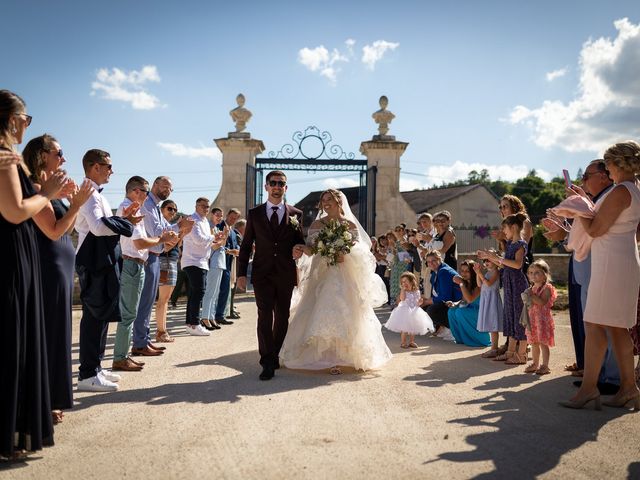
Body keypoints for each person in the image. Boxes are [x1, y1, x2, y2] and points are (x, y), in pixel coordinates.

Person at [0, 89, 67, 461]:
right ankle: (9, 436)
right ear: (11, 120)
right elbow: (14, 211)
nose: (26, 125)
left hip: (16, 253)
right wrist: (49, 194)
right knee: (14, 343)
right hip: (11, 255)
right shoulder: (5, 157)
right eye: (25, 120)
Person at [561, 141, 640, 411]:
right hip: (620, 259)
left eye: (608, 165)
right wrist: (583, 200)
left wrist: (577, 208)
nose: (608, 169)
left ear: (617, 164)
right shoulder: (632, 189)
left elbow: (595, 229)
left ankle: (589, 389)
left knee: (594, 324)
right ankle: (628, 388)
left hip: (612, 264)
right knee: (617, 327)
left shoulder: (621, 190)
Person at [279, 189, 392, 374]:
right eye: (323, 200)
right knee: (321, 308)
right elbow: (313, 250)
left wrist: (343, 254)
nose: (326, 203)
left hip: (344, 273)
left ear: (339, 201)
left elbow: (361, 252)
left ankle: (345, 356)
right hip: (323, 273)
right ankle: (326, 357)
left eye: (330, 199)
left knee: (347, 310)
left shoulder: (349, 224)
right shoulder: (317, 224)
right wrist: (301, 248)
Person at [22, 134, 93, 424]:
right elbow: (52, 231)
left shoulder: (50, 191)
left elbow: (69, 228)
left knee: (60, 332)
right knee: (49, 333)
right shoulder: (36, 189)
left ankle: (52, 397)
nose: (64, 159)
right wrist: (76, 204)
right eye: (59, 153)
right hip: (48, 266)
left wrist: (73, 202)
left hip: (62, 265)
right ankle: (45, 400)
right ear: (42, 156)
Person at [544, 159, 619, 393]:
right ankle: (598, 374)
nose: (583, 181)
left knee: (605, 322)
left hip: (601, 262)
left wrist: (580, 202)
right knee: (592, 322)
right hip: (585, 263)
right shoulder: (595, 199)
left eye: (587, 176)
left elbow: (598, 229)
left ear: (605, 176)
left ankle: (612, 378)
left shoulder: (612, 196)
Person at [75, 149, 139, 392]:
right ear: (94, 167)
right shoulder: (89, 193)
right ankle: (87, 374)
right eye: (108, 166)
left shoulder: (98, 195)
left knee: (101, 315)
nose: (112, 170)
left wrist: (123, 221)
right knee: (94, 315)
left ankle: (96, 369)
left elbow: (106, 224)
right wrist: (124, 225)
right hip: (92, 261)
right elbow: (99, 228)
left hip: (101, 260)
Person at [237, 171, 305, 380]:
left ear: (286, 188)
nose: (277, 186)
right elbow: (247, 244)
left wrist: (298, 249)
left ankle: (275, 352)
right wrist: (240, 274)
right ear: (266, 187)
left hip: (285, 273)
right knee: (264, 315)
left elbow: (299, 241)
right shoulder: (255, 213)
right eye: (273, 183)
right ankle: (266, 360)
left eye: (281, 184)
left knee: (282, 317)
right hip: (262, 273)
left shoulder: (296, 214)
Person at [112, 177, 177, 371]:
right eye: (146, 191)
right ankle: (124, 354)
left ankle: (133, 348)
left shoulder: (137, 209)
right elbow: (140, 242)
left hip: (139, 261)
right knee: (130, 313)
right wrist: (162, 238)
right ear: (135, 191)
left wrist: (165, 237)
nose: (148, 196)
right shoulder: (127, 208)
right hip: (133, 262)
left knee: (138, 308)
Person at [133, 176, 192, 355]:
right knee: (145, 303)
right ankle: (140, 342)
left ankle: (143, 339)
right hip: (149, 256)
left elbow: (167, 230)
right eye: (165, 186)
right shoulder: (148, 206)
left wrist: (179, 228)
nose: (167, 190)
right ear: (155, 185)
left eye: (170, 188)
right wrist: (179, 226)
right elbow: (159, 232)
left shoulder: (156, 207)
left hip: (155, 256)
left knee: (149, 302)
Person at [478, 213, 529, 365]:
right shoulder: (510, 245)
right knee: (510, 318)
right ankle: (510, 352)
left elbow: (517, 265)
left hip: (517, 284)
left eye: (504, 228)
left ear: (513, 227)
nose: (503, 231)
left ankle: (521, 355)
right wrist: (491, 257)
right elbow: (505, 265)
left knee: (519, 319)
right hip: (508, 284)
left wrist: (497, 258)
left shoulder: (520, 244)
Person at [182, 197, 217, 336]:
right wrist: (213, 237)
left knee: (194, 293)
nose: (206, 209)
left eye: (208, 206)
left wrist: (215, 238)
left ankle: (190, 324)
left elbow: (206, 242)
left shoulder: (204, 222)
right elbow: (198, 240)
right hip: (193, 261)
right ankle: (195, 324)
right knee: (199, 291)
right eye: (203, 206)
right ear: (196, 206)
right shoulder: (193, 220)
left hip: (202, 261)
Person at [523, 260, 556, 376]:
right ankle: (535, 363)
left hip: (542, 320)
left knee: (543, 343)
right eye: (531, 272)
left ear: (545, 275)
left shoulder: (547, 288)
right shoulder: (531, 288)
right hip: (533, 319)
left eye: (537, 272)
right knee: (534, 343)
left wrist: (531, 296)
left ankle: (545, 365)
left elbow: (542, 302)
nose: (533, 275)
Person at [384, 272, 434, 348]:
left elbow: (417, 302)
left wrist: (420, 303)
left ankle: (412, 341)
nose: (404, 283)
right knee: (404, 328)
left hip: (414, 311)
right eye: (402, 282)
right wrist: (403, 290)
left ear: (411, 281)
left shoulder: (417, 292)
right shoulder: (404, 291)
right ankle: (403, 342)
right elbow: (402, 299)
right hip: (404, 311)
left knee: (413, 328)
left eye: (405, 281)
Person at [155, 200, 181, 342]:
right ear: (162, 209)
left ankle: (162, 331)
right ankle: (161, 331)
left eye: (175, 210)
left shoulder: (168, 226)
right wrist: (180, 234)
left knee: (165, 299)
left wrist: (181, 235)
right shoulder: (162, 226)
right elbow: (166, 247)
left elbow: (175, 245)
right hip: (165, 261)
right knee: (163, 299)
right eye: (170, 209)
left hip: (171, 261)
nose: (172, 212)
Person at [448, 260, 488, 347]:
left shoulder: (478, 283)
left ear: (473, 272)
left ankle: (476, 340)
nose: (464, 273)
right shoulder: (466, 283)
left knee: (460, 312)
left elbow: (470, 299)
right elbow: (464, 300)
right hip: (470, 308)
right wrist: (455, 304)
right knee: (451, 311)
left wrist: (461, 283)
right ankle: (461, 339)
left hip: (480, 311)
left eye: (467, 271)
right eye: (462, 271)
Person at [422, 250, 462, 339]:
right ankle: (443, 327)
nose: (431, 264)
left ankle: (452, 328)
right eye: (428, 262)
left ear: (440, 259)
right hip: (448, 301)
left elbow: (445, 297)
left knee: (431, 310)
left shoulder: (444, 271)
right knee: (424, 307)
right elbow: (436, 293)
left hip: (456, 302)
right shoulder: (436, 271)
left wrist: (427, 302)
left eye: (433, 261)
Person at [200, 207, 228, 330]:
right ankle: (205, 317)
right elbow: (214, 247)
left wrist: (223, 238)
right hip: (213, 263)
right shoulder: (210, 227)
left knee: (215, 293)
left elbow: (221, 244)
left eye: (221, 215)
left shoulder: (217, 227)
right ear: (211, 214)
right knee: (210, 292)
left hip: (220, 263)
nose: (219, 217)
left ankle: (211, 317)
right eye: (217, 214)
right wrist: (224, 237)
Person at [214, 208, 241, 325]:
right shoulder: (219, 226)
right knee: (217, 291)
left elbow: (237, 246)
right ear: (227, 215)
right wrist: (230, 251)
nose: (233, 220)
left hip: (229, 264)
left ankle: (220, 315)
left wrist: (237, 250)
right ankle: (215, 315)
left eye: (235, 218)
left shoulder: (234, 232)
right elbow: (216, 244)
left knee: (225, 290)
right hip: (218, 262)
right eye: (231, 217)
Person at [474, 257, 503, 358]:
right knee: (490, 323)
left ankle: (494, 348)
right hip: (486, 299)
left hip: (492, 299)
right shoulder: (487, 273)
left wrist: (480, 274)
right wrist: (478, 273)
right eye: (485, 261)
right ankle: (493, 348)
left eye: (488, 260)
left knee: (493, 324)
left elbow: (488, 283)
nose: (486, 263)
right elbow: (479, 284)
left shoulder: (496, 272)